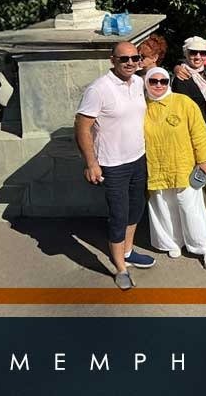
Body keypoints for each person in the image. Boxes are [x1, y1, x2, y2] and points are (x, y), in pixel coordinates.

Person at [75, 42, 154, 291]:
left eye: (135, 58)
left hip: (138, 158)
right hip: (112, 164)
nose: (130, 62)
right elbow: (82, 127)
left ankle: (127, 251)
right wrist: (91, 163)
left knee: (136, 208)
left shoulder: (139, 83)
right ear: (113, 60)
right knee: (119, 215)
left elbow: (161, 83)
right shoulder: (98, 89)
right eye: (124, 59)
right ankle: (120, 267)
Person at [140, 67, 206, 270]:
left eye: (163, 81)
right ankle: (173, 242)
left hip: (184, 164)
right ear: (146, 83)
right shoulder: (141, 106)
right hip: (156, 166)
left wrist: (204, 158)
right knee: (163, 206)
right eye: (153, 81)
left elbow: (198, 131)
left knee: (190, 207)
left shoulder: (183, 102)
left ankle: (204, 247)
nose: (159, 85)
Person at [170, 36, 206, 228]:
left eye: (202, 53)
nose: (197, 56)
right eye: (193, 52)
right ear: (186, 53)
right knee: (205, 172)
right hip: (198, 131)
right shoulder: (182, 79)